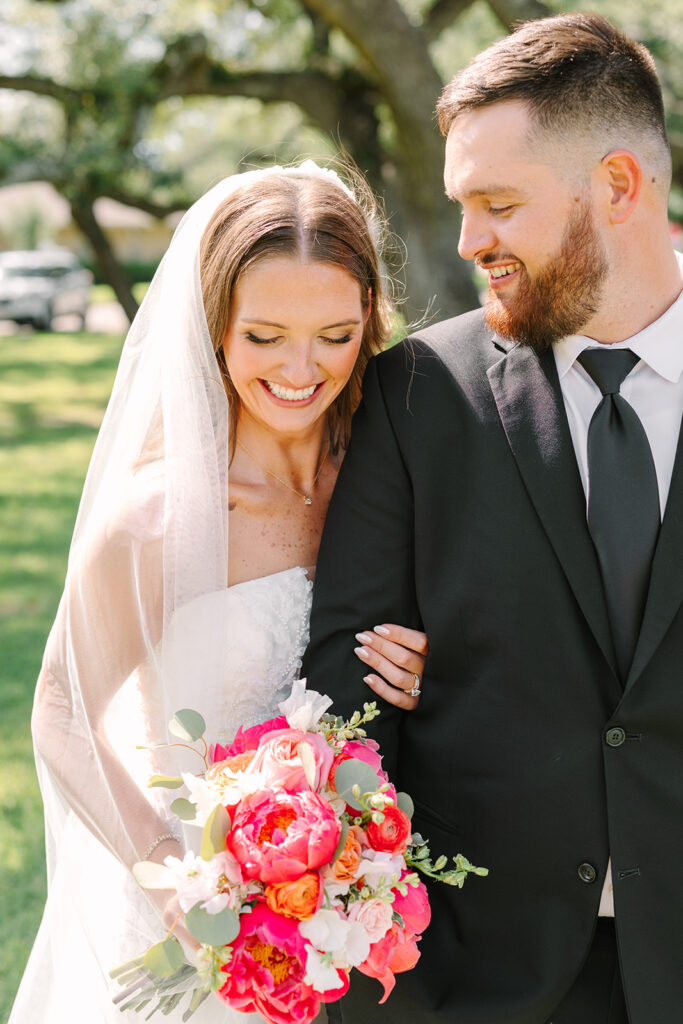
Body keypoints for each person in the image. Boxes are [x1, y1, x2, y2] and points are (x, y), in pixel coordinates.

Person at [302, 14, 683, 1024]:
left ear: (615, 186)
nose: (469, 241)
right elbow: (346, 703)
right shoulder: (415, 395)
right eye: (461, 206)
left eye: (497, 204)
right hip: (492, 984)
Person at [9, 161, 430, 1024]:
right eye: (264, 335)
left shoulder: (392, 479)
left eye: (334, 335)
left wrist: (431, 670)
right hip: (198, 924)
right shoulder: (160, 515)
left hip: (357, 920)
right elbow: (60, 707)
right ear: (213, 330)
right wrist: (177, 878)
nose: (301, 369)